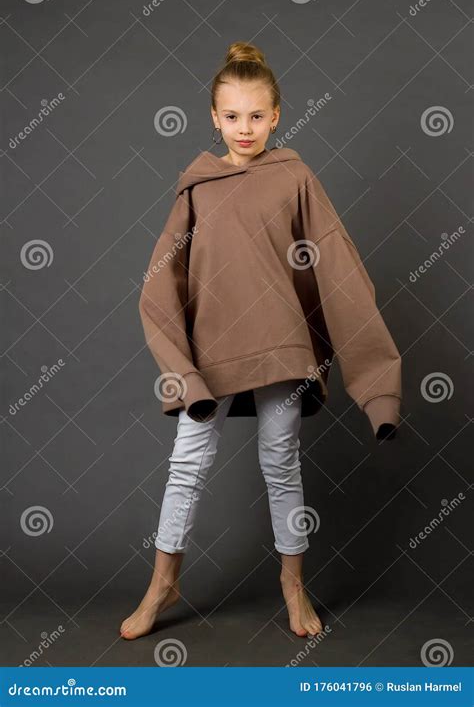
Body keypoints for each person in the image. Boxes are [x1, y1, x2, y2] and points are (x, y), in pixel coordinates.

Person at [120, 41, 402, 641]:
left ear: (277, 116)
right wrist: (181, 368)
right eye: (231, 116)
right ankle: (163, 582)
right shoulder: (197, 188)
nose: (243, 128)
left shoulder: (293, 177)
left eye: (256, 116)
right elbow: (158, 287)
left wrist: (379, 388)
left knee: (280, 462)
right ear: (212, 118)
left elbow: (340, 273)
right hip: (209, 353)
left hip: (281, 346)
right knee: (186, 463)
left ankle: (292, 586)